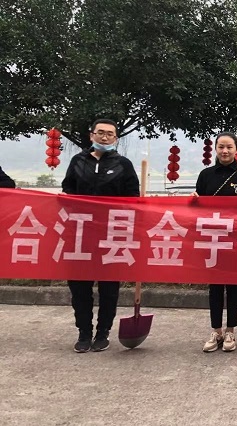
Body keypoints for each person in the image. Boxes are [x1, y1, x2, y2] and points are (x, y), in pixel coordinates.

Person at [61, 119, 140, 353]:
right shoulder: (78, 162)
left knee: (109, 287)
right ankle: (84, 332)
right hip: (80, 235)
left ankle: (103, 332)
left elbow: (133, 198)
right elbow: (68, 191)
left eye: (110, 134)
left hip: (111, 235)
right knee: (79, 287)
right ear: (91, 135)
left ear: (116, 138)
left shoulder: (123, 165)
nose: (105, 137)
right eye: (100, 133)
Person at [192, 132, 237, 353]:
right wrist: (193, 200)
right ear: (215, 149)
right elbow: (197, 207)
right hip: (211, 237)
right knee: (214, 286)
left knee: (233, 285)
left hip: (235, 238)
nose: (225, 151)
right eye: (221, 146)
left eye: (229, 147)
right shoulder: (205, 175)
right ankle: (216, 330)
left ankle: (231, 330)